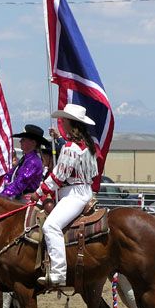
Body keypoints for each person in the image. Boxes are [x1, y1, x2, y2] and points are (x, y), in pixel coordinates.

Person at [30, 104, 98, 287]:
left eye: (63, 119)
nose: (61, 121)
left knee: (51, 226)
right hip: (85, 191)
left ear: (69, 122)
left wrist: (38, 193)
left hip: (74, 194)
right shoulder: (89, 145)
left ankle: (59, 272)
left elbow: (58, 177)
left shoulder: (70, 148)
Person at [0, 124, 49, 201]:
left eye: (23, 139)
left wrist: (2, 196)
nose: (20, 141)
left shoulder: (33, 162)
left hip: (26, 199)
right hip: (18, 197)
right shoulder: (25, 159)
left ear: (33, 143)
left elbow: (20, 183)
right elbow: (10, 175)